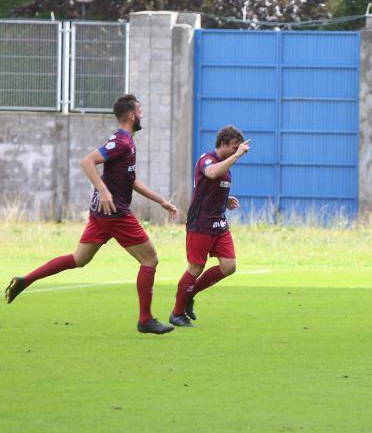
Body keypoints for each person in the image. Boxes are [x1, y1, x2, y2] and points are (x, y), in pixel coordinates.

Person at [5, 94, 178, 335]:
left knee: (79, 259)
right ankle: (145, 320)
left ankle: (27, 279)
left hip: (101, 215)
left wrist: (161, 201)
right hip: (115, 213)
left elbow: (132, 180)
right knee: (150, 259)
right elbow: (87, 161)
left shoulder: (126, 142)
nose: (142, 115)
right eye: (140, 111)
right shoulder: (122, 142)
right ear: (131, 115)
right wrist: (104, 190)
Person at [170, 126, 250, 327]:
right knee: (196, 267)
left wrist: (225, 200)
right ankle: (177, 314)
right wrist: (236, 156)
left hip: (219, 223)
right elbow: (211, 173)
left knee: (229, 266)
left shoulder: (226, 166)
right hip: (201, 223)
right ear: (222, 145)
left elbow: (212, 187)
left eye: (238, 149)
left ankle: (191, 293)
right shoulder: (207, 159)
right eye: (233, 147)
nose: (236, 151)